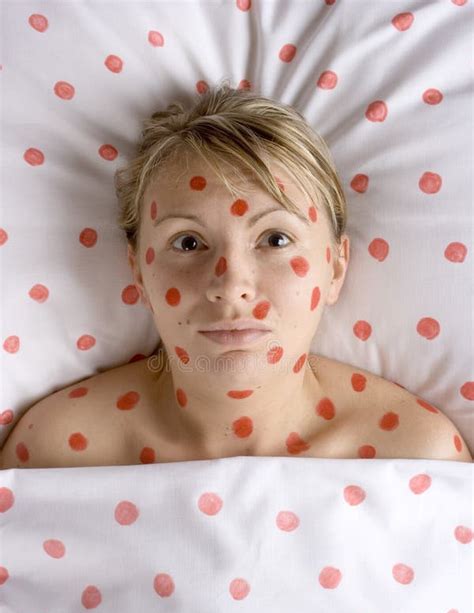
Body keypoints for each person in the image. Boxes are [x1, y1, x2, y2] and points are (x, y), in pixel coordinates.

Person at [1, 82, 471, 468]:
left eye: (276, 239)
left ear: (335, 267)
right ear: (139, 272)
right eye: (187, 242)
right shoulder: (56, 451)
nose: (231, 286)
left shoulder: (415, 452)